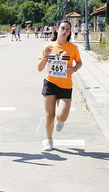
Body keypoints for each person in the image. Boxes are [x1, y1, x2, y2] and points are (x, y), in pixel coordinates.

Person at [38, 20, 82, 151]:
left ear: (69, 32)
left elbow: (79, 63)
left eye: (67, 29)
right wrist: (46, 56)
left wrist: (73, 69)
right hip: (50, 83)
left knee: (62, 116)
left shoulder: (73, 48)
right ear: (57, 29)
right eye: (62, 28)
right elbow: (39, 68)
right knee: (49, 115)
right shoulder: (48, 46)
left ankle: (61, 121)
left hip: (65, 85)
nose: (65, 31)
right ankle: (49, 140)